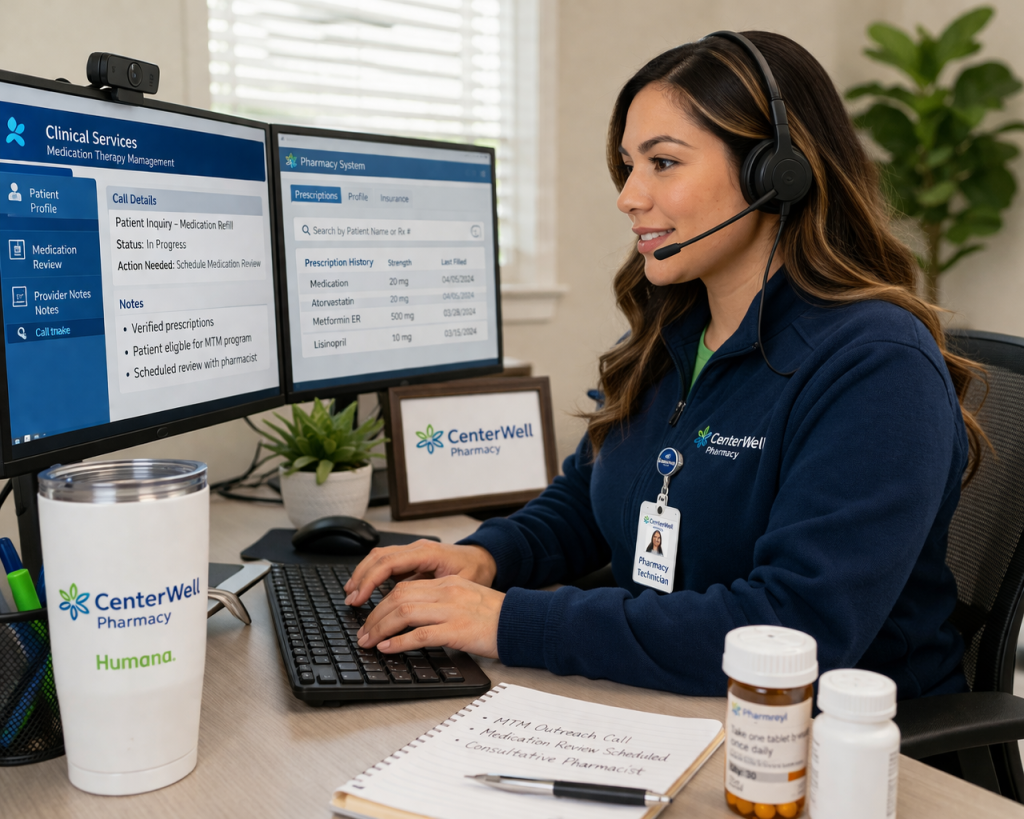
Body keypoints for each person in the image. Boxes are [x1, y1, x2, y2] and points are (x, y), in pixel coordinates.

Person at [344, 31, 982, 698]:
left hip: (839, 751)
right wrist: (485, 557)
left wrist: (512, 620)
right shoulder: (674, 331)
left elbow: (791, 628)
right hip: (672, 706)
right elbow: (595, 499)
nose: (628, 195)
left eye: (664, 163)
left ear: (776, 174)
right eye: (628, 164)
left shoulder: (875, 365)